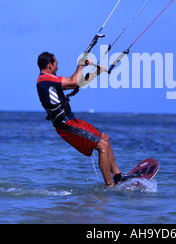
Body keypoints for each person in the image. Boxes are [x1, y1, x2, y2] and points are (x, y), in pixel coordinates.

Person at [36, 52, 126, 188]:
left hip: (71, 120)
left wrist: (96, 72)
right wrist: (80, 65)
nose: (58, 67)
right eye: (56, 64)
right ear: (49, 66)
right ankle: (109, 185)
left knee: (105, 138)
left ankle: (118, 176)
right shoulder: (45, 79)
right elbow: (73, 81)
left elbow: (76, 85)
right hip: (65, 124)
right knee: (103, 146)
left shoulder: (48, 80)